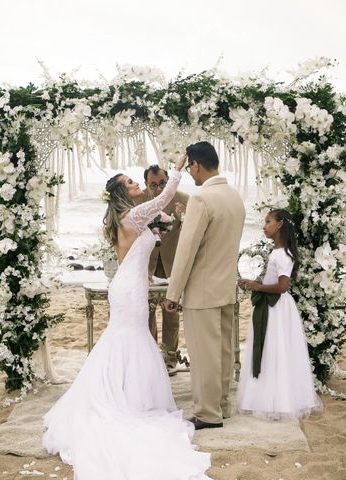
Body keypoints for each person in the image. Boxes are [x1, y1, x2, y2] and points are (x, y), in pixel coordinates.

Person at [42, 154, 211, 480]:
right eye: (131, 183)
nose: (136, 184)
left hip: (129, 286)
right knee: (131, 338)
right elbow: (163, 198)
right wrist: (176, 171)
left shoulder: (130, 220)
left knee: (128, 339)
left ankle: (127, 394)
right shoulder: (134, 215)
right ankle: (127, 402)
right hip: (130, 290)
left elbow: (146, 241)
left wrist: (159, 231)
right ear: (123, 193)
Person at [164, 141, 246, 430]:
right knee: (222, 352)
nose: (190, 174)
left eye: (190, 168)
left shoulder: (201, 199)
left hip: (201, 290)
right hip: (226, 287)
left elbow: (187, 251)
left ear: (196, 165)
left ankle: (207, 413)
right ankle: (222, 406)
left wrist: (173, 294)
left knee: (204, 355)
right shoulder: (234, 197)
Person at [237, 209, 323, 420]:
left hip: (276, 309)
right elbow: (272, 282)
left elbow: (283, 286)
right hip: (275, 306)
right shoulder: (278, 252)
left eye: (268, 222)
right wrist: (253, 284)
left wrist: (258, 286)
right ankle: (270, 396)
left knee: (274, 350)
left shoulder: (282, 254)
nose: (264, 226)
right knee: (272, 351)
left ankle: (275, 400)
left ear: (280, 225)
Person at [140, 164, 189, 370]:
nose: (159, 189)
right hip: (147, 265)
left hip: (172, 264)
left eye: (162, 183)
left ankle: (170, 359)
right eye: (153, 185)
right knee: (147, 314)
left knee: (172, 314)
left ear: (169, 179)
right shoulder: (138, 199)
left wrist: (182, 216)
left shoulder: (184, 199)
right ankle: (151, 359)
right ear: (146, 185)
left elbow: (192, 233)